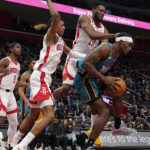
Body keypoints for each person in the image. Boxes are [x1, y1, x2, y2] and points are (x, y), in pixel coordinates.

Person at [11, 0, 88, 149]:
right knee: (50, 116)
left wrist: (89, 56)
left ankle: (12, 142)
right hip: (40, 76)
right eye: (61, 25)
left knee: (33, 115)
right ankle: (21, 146)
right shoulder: (50, 35)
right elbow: (56, 15)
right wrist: (48, 1)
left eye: (64, 25)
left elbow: (71, 53)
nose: (64, 27)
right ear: (54, 26)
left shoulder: (60, 41)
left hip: (43, 77)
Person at [53, 2, 118, 145]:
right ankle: (46, 105)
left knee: (94, 98)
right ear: (93, 10)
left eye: (104, 11)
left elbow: (105, 46)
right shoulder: (84, 18)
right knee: (66, 88)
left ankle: (92, 131)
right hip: (74, 57)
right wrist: (113, 35)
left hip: (89, 62)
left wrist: (102, 52)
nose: (102, 12)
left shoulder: (104, 28)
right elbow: (91, 33)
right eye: (100, 10)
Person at [74, 32, 137, 148]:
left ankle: (117, 126)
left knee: (118, 88)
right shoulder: (106, 48)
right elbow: (85, 64)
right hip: (84, 79)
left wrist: (106, 79)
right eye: (129, 45)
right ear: (121, 42)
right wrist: (104, 79)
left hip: (95, 78)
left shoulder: (117, 53)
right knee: (104, 112)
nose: (130, 48)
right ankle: (89, 145)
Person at [0, 42, 29, 150]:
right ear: (11, 49)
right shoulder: (6, 60)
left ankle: (9, 145)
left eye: (20, 48)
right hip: (1, 91)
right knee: (1, 119)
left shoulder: (18, 64)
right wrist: (2, 74)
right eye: (17, 47)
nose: (19, 49)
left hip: (11, 94)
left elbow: (14, 82)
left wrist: (25, 84)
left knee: (14, 123)